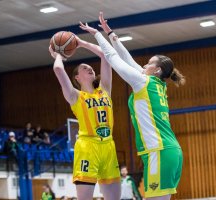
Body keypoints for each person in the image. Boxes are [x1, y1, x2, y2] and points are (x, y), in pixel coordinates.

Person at [79, 12, 185, 200]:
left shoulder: (143, 82)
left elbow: (113, 58)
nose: (144, 64)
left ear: (157, 70)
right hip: (168, 151)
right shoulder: (155, 84)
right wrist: (110, 34)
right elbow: (127, 59)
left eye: (149, 63)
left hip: (158, 152)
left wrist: (96, 34)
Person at [49, 35, 120, 200]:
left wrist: (81, 43)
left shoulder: (105, 89)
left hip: (108, 146)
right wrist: (59, 54)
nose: (90, 68)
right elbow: (58, 70)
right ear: (77, 78)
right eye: (84, 67)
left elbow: (104, 55)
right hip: (87, 147)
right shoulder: (75, 96)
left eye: (91, 67)